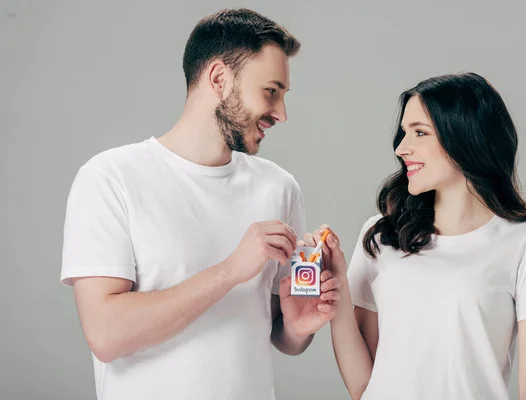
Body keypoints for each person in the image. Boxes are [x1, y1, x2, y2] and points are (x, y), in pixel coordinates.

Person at [60, 8, 340, 400]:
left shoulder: (279, 188)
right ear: (220, 79)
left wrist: (297, 327)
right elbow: (106, 335)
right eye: (271, 92)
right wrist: (229, 271)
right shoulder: (111, 178)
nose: (281, 113)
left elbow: (281, 335)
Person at [303, 72, 526, 399]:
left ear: (466, 136)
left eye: (419, 132)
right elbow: (362, 387)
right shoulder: (382, 236)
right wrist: (340, 285)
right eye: (403, 133)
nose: (401, 148)